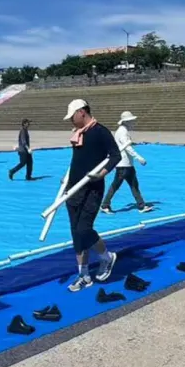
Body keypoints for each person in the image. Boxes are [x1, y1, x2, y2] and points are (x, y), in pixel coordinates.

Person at [61, 99, 122, 292]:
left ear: (81, 112)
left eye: (72, 116)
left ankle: (107, 257)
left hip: (92, 189)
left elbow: (116, 155)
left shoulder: (100, 131)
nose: (71, 120)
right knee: (76, 234)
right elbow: (77, 160)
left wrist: (102, 174)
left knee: (84, 229)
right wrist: (66, 180)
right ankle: (84, 275)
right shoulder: (78, 133)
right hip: (73, 189)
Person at [103, 111, 152, 213]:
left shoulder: (123, 131)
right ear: (125, 122)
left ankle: (141, 205)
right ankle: (105, 205)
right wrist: (138, 158)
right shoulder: (122, 132)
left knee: (133, 184)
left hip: (127, 164)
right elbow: (127, 147)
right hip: (123, 164)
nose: (133, 123)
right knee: (116, 185)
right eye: (131, 121)